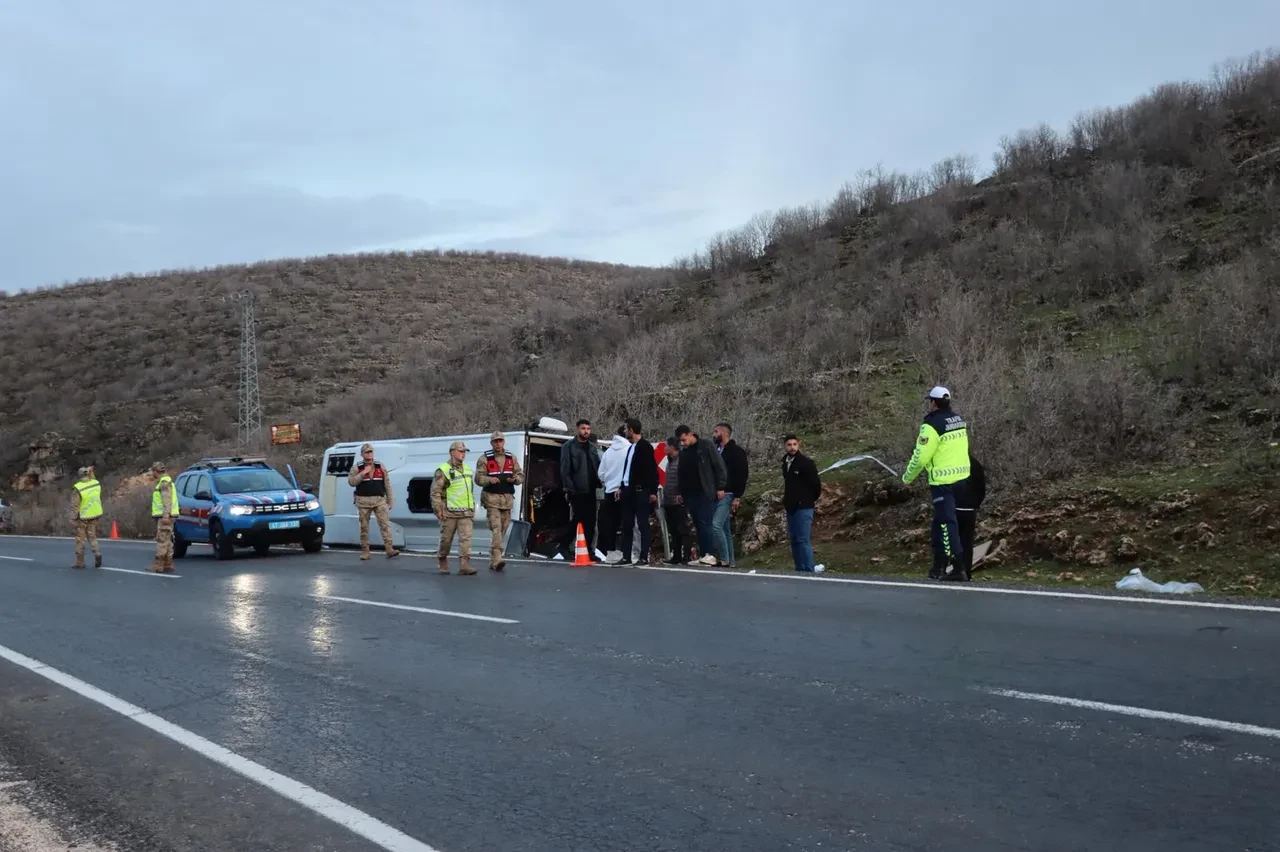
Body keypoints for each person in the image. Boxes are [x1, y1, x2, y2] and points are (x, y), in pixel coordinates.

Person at [901, 386, 972, 581]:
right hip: (962, 479)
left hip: (943, 482)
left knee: (946, 524)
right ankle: (938, 565)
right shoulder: (958, 420)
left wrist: (907, 477)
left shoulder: (930, 426)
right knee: (940, 523)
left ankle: (957, 567)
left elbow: (921, 457)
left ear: (933, 402)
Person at [675, 425, 727, 567]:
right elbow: (681, 472)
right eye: (681, 441)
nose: (683, 443)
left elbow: (718, 466)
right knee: (698, 524)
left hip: (704, 491)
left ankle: (709, 554)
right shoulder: (684, 452)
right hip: (690, 493)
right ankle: (703, 554)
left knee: (706, 523)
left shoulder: (705, 446)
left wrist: (720, 486)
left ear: (691, 434)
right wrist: (679, 491)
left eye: (684, 440)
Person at [475, 430, 524, 571]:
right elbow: (478, 479)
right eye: (495, 441)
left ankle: (494, 557)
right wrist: (490, 480)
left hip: (507, 499)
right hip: (491, 498)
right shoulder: (484, 458)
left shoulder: (511, 458)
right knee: (496, 527)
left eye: (500, 441)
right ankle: (497, 559)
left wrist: (515, 479)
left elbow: (520, 474)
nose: (498, 443)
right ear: (491, 443)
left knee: (503, 527)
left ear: (503, 442)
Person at [347, 442, 401, 560]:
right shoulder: (357, 467)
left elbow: (387, 484)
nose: (369, 454)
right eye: (367, 452)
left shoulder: (380, 466)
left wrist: (390, 500)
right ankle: (365, 551)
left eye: (371, 451)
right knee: (364, 528)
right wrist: (363, 473)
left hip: (379, 500)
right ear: (362, 454)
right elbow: (351, 482)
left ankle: (389, 549)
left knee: (385, 525)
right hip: (363, 501)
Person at [559, 419, 603, 562]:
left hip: (591, 489)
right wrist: (569, 488)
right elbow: (565, 469)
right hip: (576, 489)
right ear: (577, 429)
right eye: (583, 428)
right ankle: (564, 546)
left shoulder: (591, 447)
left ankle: (590, 550)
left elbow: (597, 466)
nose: (586, 431)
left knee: (591, 521)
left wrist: (599, 482)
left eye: (588, 428)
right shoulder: (569, 447)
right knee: (578, 519)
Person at [618, 418, 659, 565]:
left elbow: (652, 470)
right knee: (627, 523)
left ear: (631, 430)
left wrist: (652, 491)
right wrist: (621, 486)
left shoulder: (645, 447)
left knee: (642, 524)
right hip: (628, 490)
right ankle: (626, 555)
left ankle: (643, 556)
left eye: (625, 429)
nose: (624, 431)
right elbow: (628, 470)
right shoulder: (631, 448)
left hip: (641, 491)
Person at [432, 440, 477, 575]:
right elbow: (436, 492)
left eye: (464, 452)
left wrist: (472, 507)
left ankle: (464, 564)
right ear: (452, 452)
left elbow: (470, 490)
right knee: (446, 540)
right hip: (449, 512)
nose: (463, 454)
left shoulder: (468, 469)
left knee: (466, 538)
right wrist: (438, 509)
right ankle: (442, 558)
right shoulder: (444, 470)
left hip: (466, 512)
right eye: (460, 451)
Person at [781, 435, 822, 572]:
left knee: (803, 539)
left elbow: (816, 485)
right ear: (785, 446)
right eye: (789, 445)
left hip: (804, 506)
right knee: (794, 539)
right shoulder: (785, 463)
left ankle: (809, 569)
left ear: (798, 445)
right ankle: (799, 568)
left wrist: (808, 500)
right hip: (791, 506)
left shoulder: (806, 463)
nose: (792, 447)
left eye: (794, 444)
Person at [712, 422, 749, 568]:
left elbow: (742, 474)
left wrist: (738, 496)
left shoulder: (736, 452)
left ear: (724, 433)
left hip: (728, 493)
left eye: (716, 432)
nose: (714, 434)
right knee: (725, 529)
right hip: (717, 494)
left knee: (716, 525)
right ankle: (731, 561)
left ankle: (724, 558)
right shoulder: (716, 451)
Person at [596, 426, 630, 558]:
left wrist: (609, 482)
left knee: (610, 524)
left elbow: (601, 473)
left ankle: (610, 551)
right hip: (625, 490)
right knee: (627, 523)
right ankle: (626, 551)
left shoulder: (608, 452)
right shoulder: (629, 450)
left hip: (609, 491)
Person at [954, 454, 986, 579]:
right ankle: (965, 571)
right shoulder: (976, 464)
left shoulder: (952, 462)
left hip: (955, 507)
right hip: (969, 509)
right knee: (967, 542)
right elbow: (981, 488)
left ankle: (954, 569)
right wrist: (975, 503)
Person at [660, 438, 689, 565]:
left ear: (673, 447)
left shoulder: (681, 461)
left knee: (682, 529)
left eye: (667, 446)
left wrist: (681, 494)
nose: (665, 448)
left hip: (678, 501)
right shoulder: (669, 462)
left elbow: (683, 480)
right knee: (673, 530)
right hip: (668, 500)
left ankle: (686, 556)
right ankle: (676, 555)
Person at [148, 462, 180, 574]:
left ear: (156, 471)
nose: (152, 473)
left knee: (162, 540)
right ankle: (168, 564)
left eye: (153, 471)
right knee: (167, 541)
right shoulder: (166, 481)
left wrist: (166, 516)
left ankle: (158, 565)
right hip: (167, 516)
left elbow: (167, 501)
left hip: (165, 517)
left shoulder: (164, 483)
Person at [70, 466, 103, 570]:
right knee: (92, 536)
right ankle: (97, 553)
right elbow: (93, 478)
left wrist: (73, 518)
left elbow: (75, 505)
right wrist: (91, 471)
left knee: (80, 539)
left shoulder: (78, 487)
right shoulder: (95, 483)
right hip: (95, 514)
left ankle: (80, 562)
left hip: (83, 517)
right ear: (88, 474)